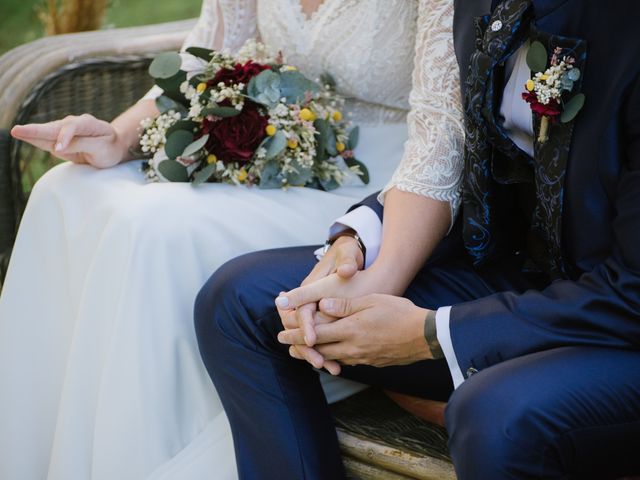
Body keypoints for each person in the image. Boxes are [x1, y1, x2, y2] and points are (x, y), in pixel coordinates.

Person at [0, 0, 464, 479]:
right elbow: (205, 60)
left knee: (156, 231)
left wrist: (384, 272)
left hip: (384, 180)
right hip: (276, 152)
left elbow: (442, 130)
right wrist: (118, 137)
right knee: (65, 191)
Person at [194, 0, 640, 478]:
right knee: (244, 300)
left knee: (495, 416)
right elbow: (456, 153)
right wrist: (360, 244)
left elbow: (631, 293)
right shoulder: (480, 7)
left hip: (621, 326)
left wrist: (435, 334)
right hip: (524, 274)